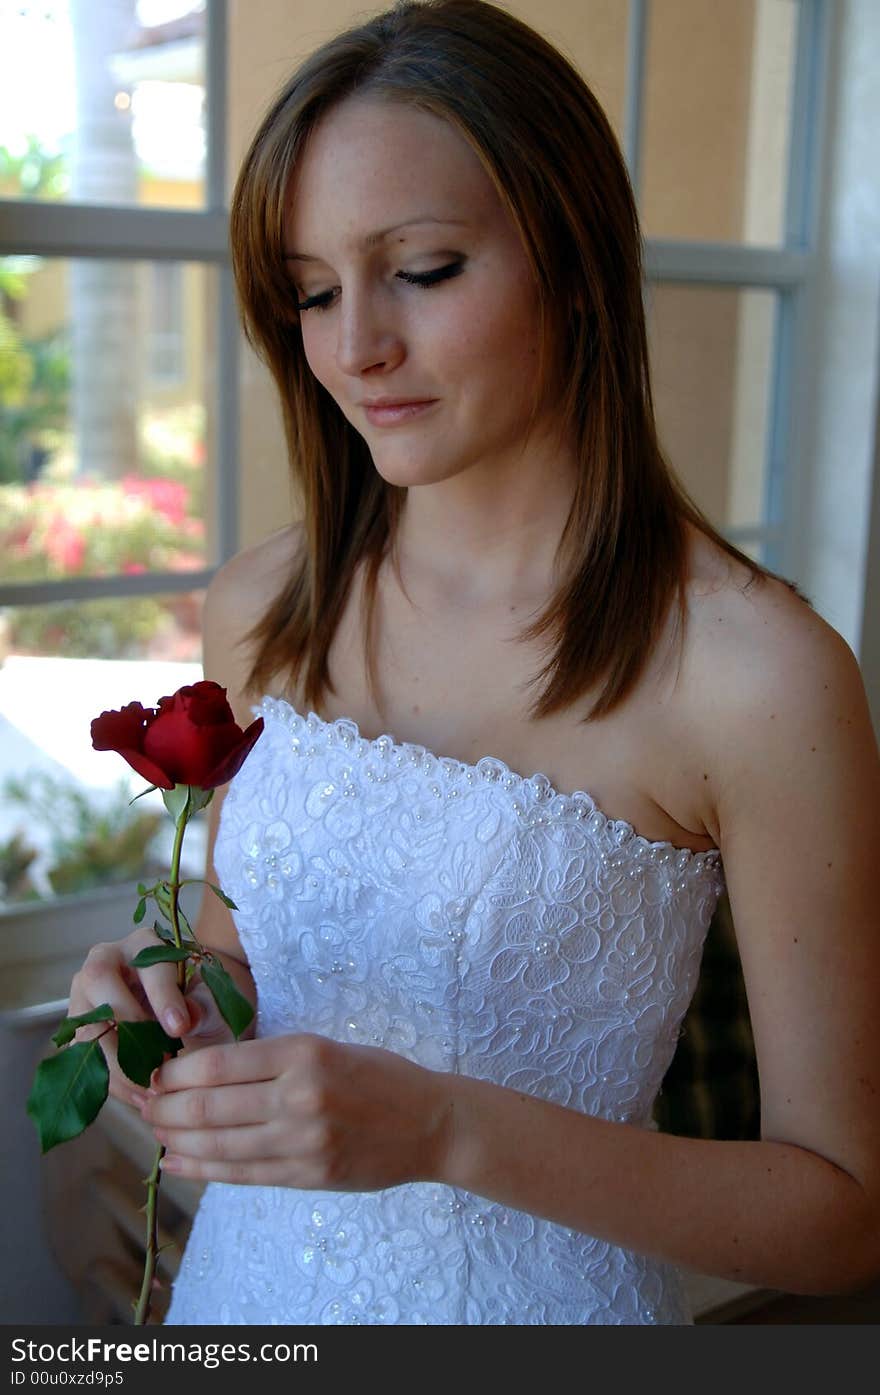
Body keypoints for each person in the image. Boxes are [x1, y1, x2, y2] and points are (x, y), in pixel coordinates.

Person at [67, 0, 880, 1325]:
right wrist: (167, 1015)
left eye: (424, 270)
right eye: (314, 291)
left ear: (571, 258)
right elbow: (240, 955)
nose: (354, 347)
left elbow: (845, 1214)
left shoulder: (758, 677)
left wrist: (446, 1132)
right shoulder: (265, 607)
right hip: (245, 1308)